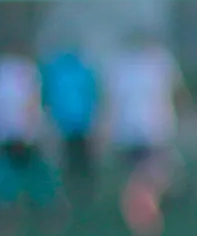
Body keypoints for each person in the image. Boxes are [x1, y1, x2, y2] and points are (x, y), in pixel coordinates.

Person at [0, 39, 65, 236]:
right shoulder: (26, 70)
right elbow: (32, 104)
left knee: (9, 193)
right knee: (35, 192)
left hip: (8, 137)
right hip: (22, 137)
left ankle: (10, 228)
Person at [107, 30, 186, 236]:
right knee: (146, 181)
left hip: (152, 131)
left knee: (152, 179)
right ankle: (145, 223)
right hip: (138, 132)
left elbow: (178, 93)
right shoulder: (125, 65)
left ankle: (144, 217)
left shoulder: (159, 61)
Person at [40, 43, 100, 205]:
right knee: (78, 163)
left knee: (73, 162)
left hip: (67, 124)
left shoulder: (55, 71)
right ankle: (79, 196)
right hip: (78, 124)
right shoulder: (83, 71)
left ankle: (74, 195)